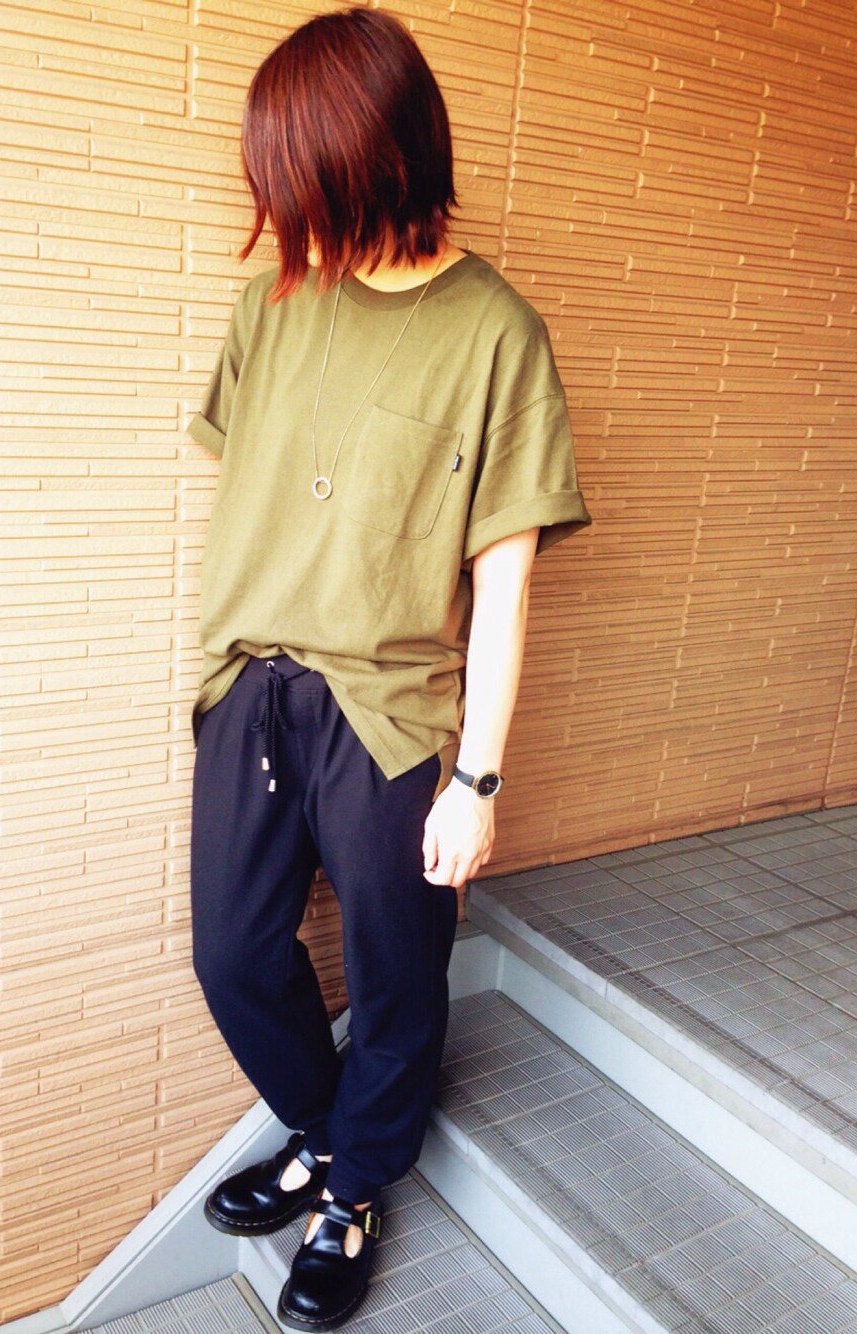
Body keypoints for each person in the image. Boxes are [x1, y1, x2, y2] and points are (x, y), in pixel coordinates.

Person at [185, 8, 593, 1329]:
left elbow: (506, 581)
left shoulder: (499, 335)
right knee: (234, 952)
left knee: (398, 968)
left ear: (376, 157)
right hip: (253, 688)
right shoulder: (273, 305)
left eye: (301, 177)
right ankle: (324, 1131)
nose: (285, 209)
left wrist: (478, 780)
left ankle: (353, 1187)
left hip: (395, 712)